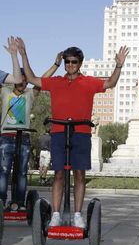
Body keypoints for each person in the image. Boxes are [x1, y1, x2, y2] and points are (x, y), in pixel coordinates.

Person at [22, 44, 129, 228]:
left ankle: (78, 214)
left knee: (79, 174)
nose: (70, 65)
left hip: (80, 133)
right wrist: (23, 54)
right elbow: (32, 78)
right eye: (67, 61)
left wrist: (118, 66)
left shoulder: (89, 82)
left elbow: (110, 83)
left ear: (80, 63)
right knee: (59, 174)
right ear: (64, 63)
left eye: (74, 62)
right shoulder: (56, 82)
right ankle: (56, 214)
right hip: (59, 132)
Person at [0, 37, 62, 209]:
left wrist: (56, 65)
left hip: (24, 137)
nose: (23, 83)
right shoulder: (5, 92)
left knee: (21, 173)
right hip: (6, 137)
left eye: (26, 81)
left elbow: (43, 79)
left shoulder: (30, 95)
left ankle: (18, 203)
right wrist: (15, 55)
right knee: (4, 172)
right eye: (21, 80)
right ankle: (1, 202)